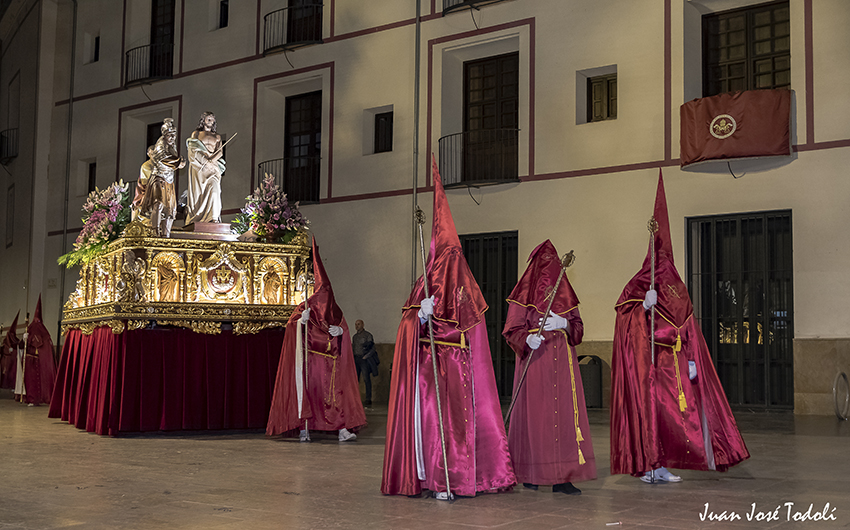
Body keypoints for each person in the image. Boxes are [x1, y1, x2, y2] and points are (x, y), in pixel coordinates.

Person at [381, 157, 516, 498]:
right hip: (426, 370)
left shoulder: (466, 285)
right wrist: (420, 316)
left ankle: (457, 478)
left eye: (456, 255)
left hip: (459, 370)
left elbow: (475, 335)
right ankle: (431, 477)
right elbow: (406, 328)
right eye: (446, 255)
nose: (451, 263)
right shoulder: (421, 285)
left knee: (458, 426)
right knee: (429, 422)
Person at [610, 170, 749, 483]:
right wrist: (642, 305)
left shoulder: (676, 287)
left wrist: (691, 362)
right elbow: (625, 320)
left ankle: (663, 464)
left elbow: (687, 329)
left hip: (674, 368)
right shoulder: (639, 285)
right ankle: (648, 465)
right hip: (649, 366)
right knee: (650, 418)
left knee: (674, 420)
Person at [503, 240, 596, 495]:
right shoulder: (523, 294)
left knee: (564, 418)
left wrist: (564, 324)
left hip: (564, 364)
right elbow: (512, 328)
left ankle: (562, 476)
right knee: (536, 417)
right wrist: (526, 338)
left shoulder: (564, 293)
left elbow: (578, 330)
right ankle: (531, 473)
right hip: (536, 361)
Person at [266, 237, 366, 443]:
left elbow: (344, 329)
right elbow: (290, 326)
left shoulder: (336, 311)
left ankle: (341, 429)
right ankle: (305, 427)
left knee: (335, 398)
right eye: (320, 293)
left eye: (326, 293)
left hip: (332, 363)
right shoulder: (304, 308)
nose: (323, 298)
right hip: (310, 362)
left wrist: (341, 332)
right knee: (310, 396)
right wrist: (299, 322)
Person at [132, 118, 186, 238]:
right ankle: (155, 231)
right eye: (169, 135)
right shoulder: (161, 144)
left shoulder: (172, 145)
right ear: (165, 135)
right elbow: (162, 158)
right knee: (158, 203)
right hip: (158, 178)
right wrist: (178, 162)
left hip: (169, 180)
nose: (172, 138)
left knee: (171, 209)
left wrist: (180, 162)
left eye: (174, 135)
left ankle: (166, 234)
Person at [185, 111, 226, 225]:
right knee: (199, 193)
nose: (211, 122)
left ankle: (213, 217)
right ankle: (199, 216)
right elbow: (192, 150)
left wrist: (211, 160)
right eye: (209, 119)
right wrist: (203, 160)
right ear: (203, 120)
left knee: (214, 189)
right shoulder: (196, 134)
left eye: (212, 120)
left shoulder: (217, 136)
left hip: (212, 168)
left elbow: (220, 152)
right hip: (200, 167)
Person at [20, 296, 56, 405]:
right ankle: (31, 399)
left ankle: (41, 398)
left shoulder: (45, 334)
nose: (36, 322)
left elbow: (46, 350)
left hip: (40, 362)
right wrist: (24, 339)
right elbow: (22, 346)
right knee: (31, 382)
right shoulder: (29, 330)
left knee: (41, 381)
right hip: (30, 361)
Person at [351, 320, 377, 406]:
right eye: (355, 324)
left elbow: (372, 349)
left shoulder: (367, 335)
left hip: (364, 359)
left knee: (366, 379)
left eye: (358, 324)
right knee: (355, 379)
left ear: (362, 325)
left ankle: (368, 398)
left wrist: (366, 356)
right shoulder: (354, 337)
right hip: (356, 359)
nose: (356, 326)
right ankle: (355, 398)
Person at [1, 311, 21, 390]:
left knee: (13, 373)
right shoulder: (6, 341)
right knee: (6, 372)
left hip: (14, 361)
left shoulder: (15, 340)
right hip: (7, 360)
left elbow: (18, 345)